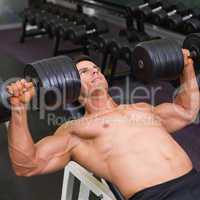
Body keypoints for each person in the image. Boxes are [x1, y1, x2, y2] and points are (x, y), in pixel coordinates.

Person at [7, 50, 200, 200]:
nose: (94, 72)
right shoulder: (76, 130)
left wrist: (187, 66)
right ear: (70, 83)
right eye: (84, 72)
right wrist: (18, 108)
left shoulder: (141, 108)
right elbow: (27, 165)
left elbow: (186, 111)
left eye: (96, 69)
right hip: (158, 196)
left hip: (194, 180)